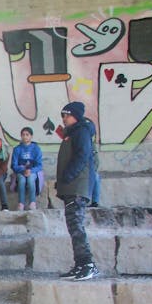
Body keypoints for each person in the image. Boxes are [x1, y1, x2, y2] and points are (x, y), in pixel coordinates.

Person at [56, 101, 99, 281]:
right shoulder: (73, 133)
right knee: (73, 226)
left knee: (76, 226)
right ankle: (80, 264)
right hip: (72, 186)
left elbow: (82, 156)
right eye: (63, 115)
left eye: (66, 115)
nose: (64, 118)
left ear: (75, 115)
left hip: (77, 186)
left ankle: (87, 264)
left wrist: (68, 175)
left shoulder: (81, 132)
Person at [11, 127, 43, 211]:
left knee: (30, 180)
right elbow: (13, 165)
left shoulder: (36, 148)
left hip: (32, 171)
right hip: (20, 171)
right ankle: (21, 203)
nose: (25, 137)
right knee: (22, 181)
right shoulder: (17, 149)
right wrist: (22, 170)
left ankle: (32, 202)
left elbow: (39, 165)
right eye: (23, 135)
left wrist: (31, 171)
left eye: (27, 135)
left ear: (31, 136)